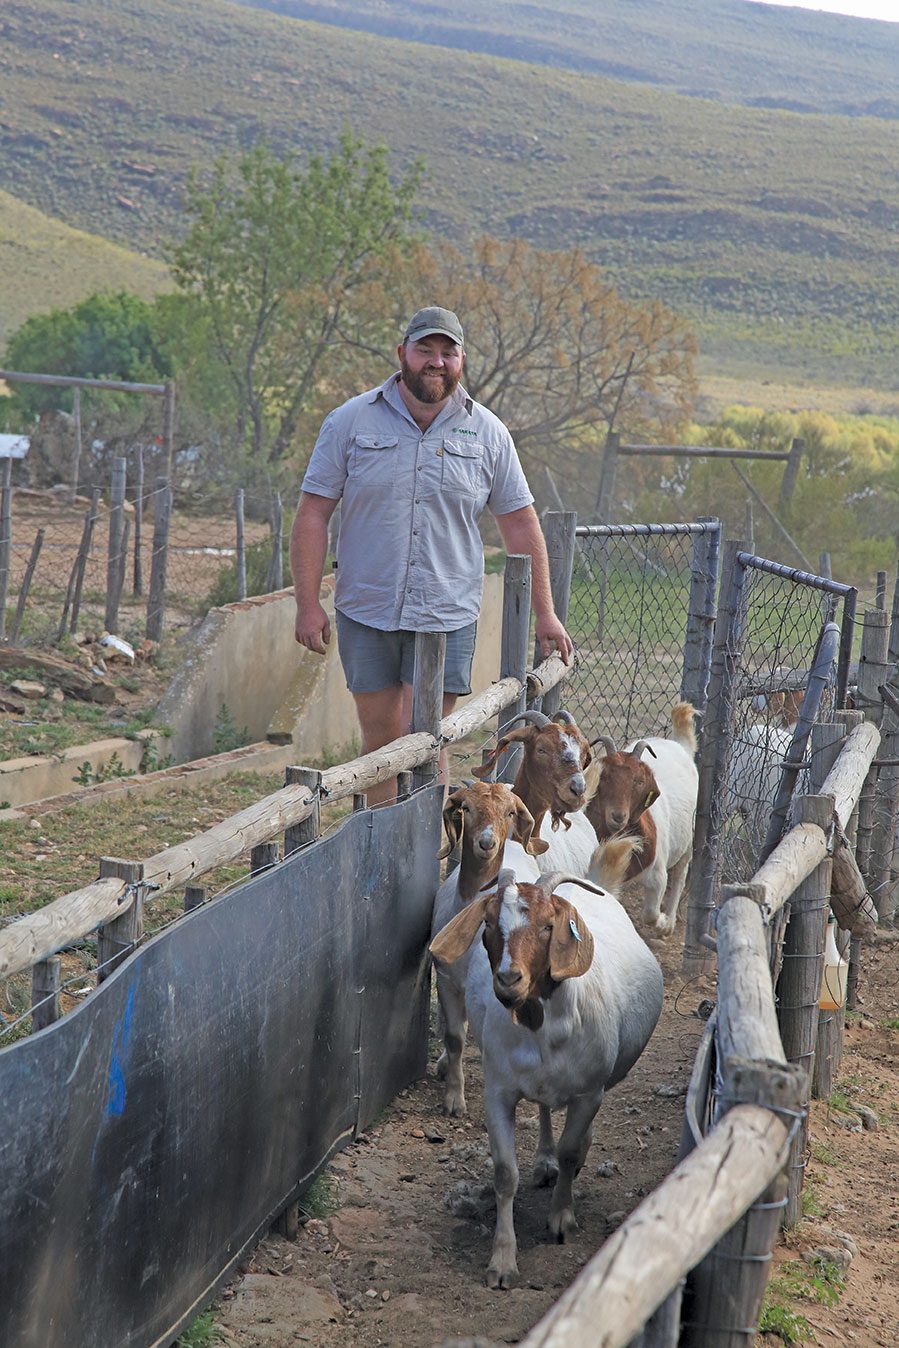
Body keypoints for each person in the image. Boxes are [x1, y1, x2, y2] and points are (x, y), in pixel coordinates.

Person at [290, 305, 573, 804]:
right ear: (403, 353)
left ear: (461, 361)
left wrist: (545, 613)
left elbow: (520, 524)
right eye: (425, 349)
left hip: (446, 612)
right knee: (381, 740)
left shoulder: (487, 433)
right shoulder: (350, 421)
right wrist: (307, 603)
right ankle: (382, 841)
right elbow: (313, 513)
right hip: (367, 605)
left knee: (424, 736)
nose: (436, 361)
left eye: (448, 352)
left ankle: (425, 840)